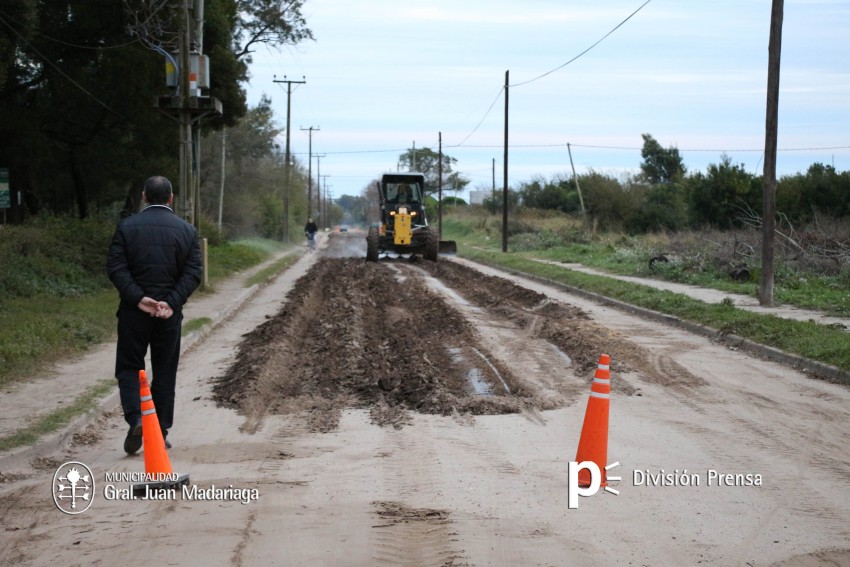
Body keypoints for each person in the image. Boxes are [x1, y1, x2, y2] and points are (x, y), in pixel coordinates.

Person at [106, 176, 203, 455]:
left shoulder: (126, 228)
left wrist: (138, 298)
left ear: (144, 196)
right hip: (168, 316)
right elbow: (193, 272)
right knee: (164, 370)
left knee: (129, 367)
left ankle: (137, 418)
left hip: (133, 313)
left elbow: (116, 267)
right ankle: (159, 430)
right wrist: (170, 302)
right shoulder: (186, 231)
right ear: (170, 198)